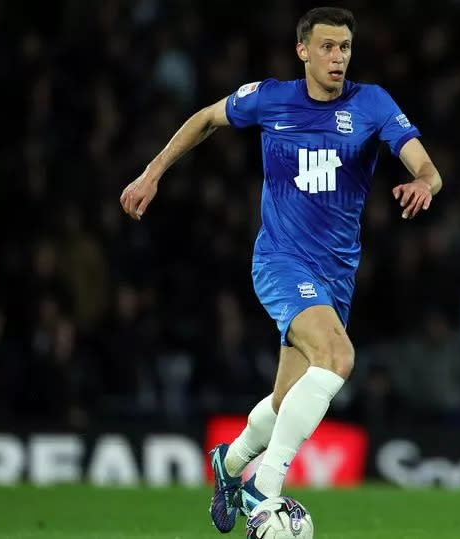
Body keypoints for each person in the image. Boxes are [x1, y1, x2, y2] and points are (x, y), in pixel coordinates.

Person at [119, 6, 443, 533]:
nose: (338, 58)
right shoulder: (271, 98)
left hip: (336, 274)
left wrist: (424, 183)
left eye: (345, 47)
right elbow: (204, 118)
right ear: (303, 51)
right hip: (280, 260)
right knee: (338, 357)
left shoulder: (373, 104)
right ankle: (264, 490)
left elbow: (427, 167)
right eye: (327, 47)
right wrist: (152, 174)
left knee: (285, 401)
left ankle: (228, 463)